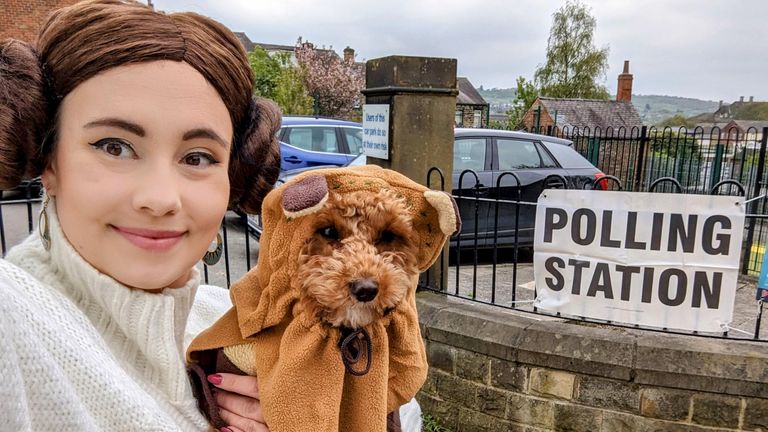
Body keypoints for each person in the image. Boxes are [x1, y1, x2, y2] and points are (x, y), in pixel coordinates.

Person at [0, 0, 281, 430]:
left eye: (198, 157)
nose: (161, 198)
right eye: (114, 146)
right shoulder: (14, 321)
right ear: (48, 161)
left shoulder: (232, 319)